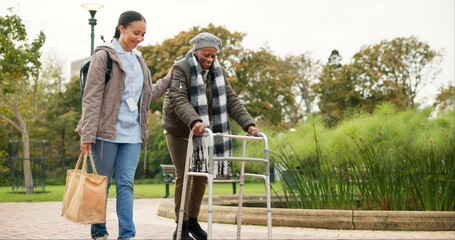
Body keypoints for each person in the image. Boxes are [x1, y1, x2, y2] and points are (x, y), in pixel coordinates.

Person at [76, 10, 171, 240]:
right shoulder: (103, 56)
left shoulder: (139, 60)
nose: (139, 38)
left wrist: (168, 79)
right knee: (102, 185)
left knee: (126, 184)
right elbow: (91, 97)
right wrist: (87, 135)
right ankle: (99, 231)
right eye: (136, 33)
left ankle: (127, 235)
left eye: (143, 34)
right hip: (105, 133)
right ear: (121, 29)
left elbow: (147, 95)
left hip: (132, 134)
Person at [162, 32, 260, 240]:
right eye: (206, 55)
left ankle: (193, 221)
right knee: (185, 174)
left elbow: (231, 100)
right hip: (179, 130)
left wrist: (249, 125)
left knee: (200, 177)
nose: (210, 59)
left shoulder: (218, 71)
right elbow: (178, 98)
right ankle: (180, 226)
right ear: (196, 51)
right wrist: (194, 120)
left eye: (213, 56)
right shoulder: (182, 67)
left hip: (203, 132)